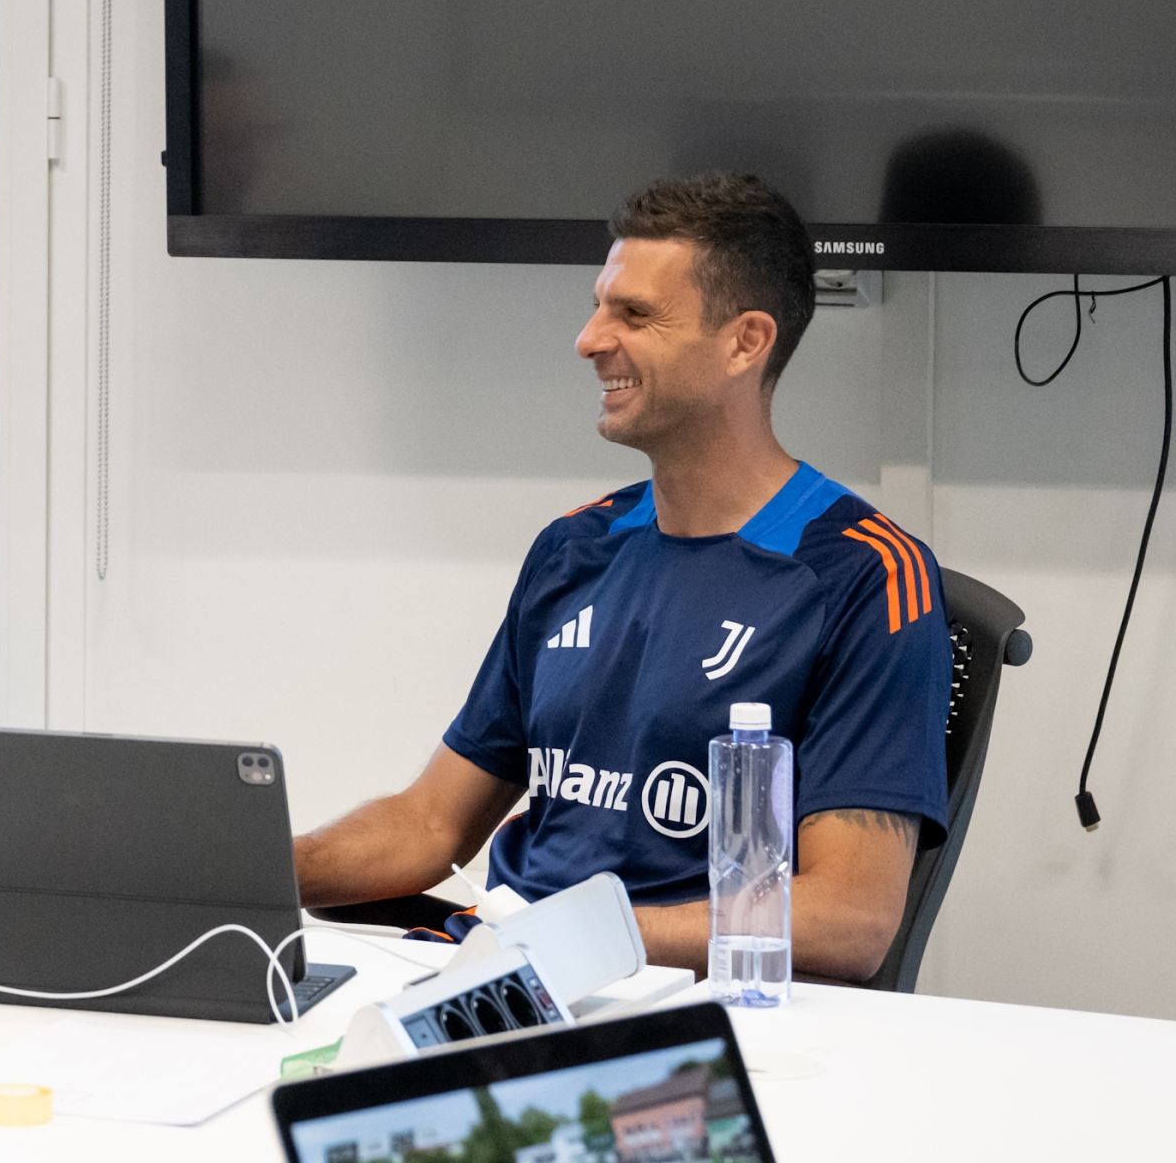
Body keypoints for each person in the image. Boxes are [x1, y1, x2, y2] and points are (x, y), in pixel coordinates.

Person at [291, 172, 950, 982]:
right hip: (505, 969)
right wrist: (239, 871)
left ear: (745, 342)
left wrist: (556, 939)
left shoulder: (868, 576)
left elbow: (848, 920)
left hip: (667, 1000)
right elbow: (430, 825)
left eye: (633, 314)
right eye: (601, 305)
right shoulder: (576, 547)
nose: (589, 338)